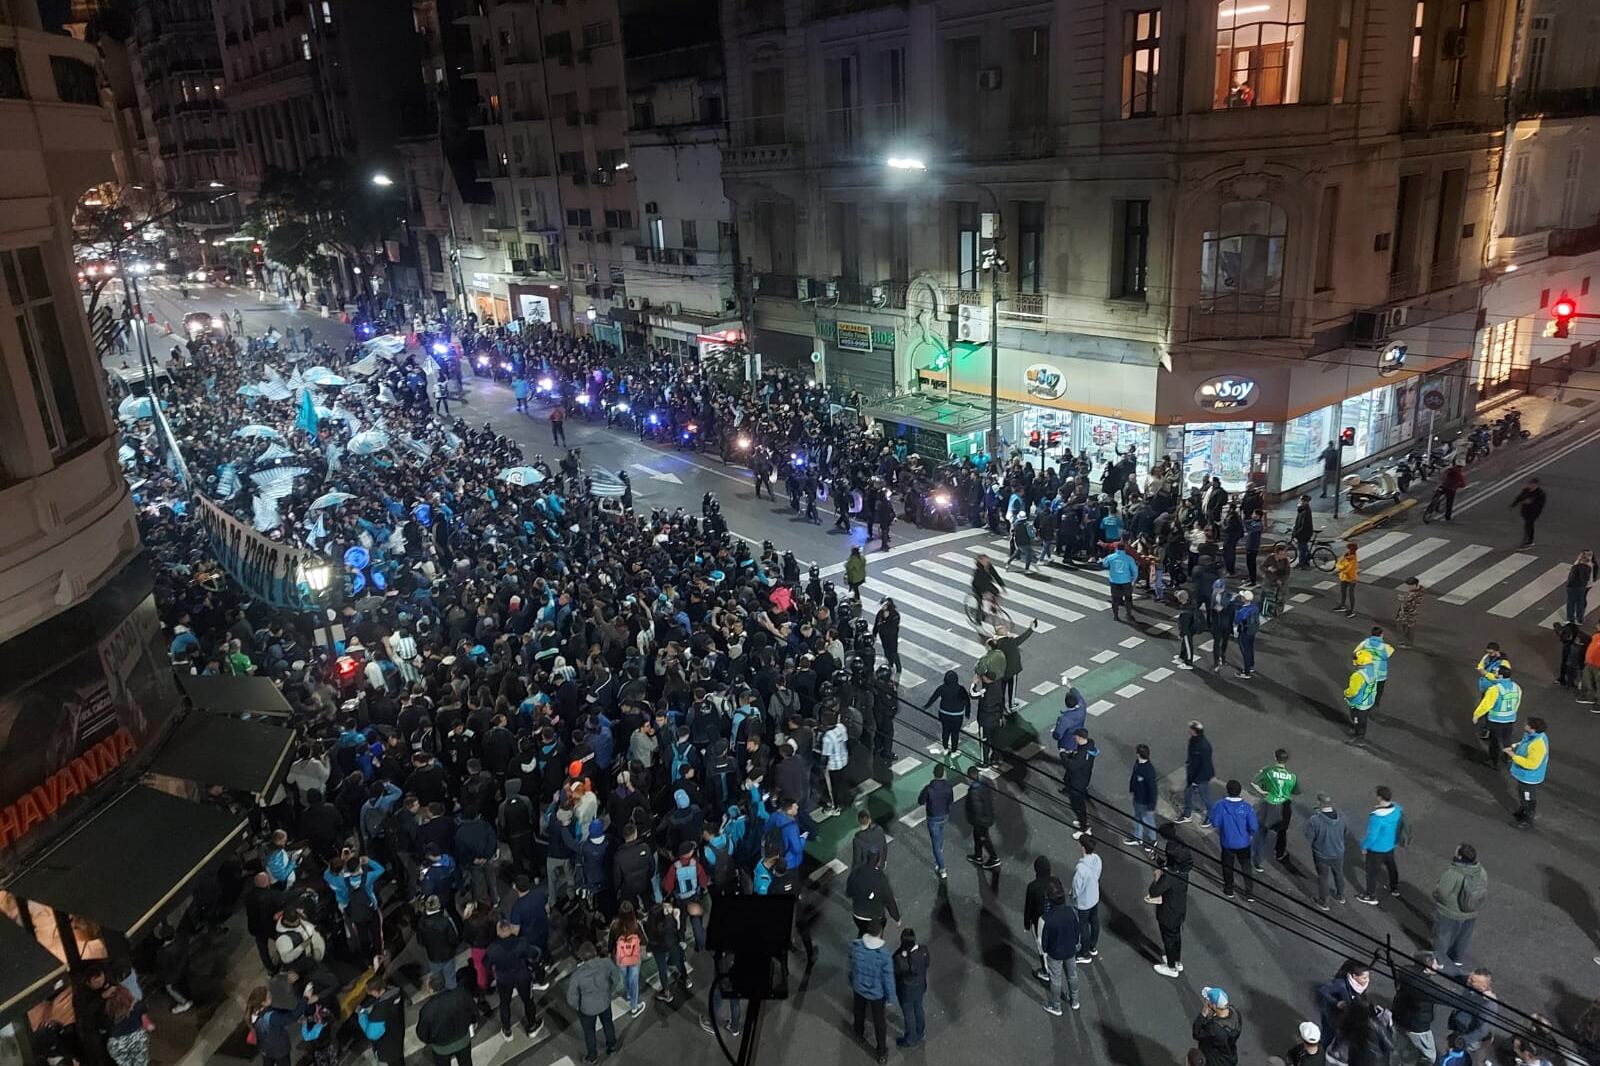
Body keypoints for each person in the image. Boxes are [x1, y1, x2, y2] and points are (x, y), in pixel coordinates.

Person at [1431, 844, 1487, 972]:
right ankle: (1457, 959)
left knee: (1443, 936)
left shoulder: (1453, 872)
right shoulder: (1481, 871)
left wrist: (1438, 898)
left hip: (1450, 912)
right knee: (1464, 936)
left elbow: (1442, 892)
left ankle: (1439, 960)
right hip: (1471, 911)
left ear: (1460, 856)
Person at [849, 918, 897, 1064]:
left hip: (859, 988)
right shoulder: (883, 955)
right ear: (880, 932)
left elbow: (851, 967)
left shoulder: (856, 947)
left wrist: (852, 980)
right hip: (877, 993)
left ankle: (859, 1033)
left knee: (859, 1012)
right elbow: (888, 978)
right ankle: (881, 1052)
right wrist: (890, 998)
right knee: (879, 1022)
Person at [1148, 823, 1192, 977]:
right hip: (1179, 910)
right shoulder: (1183, 872)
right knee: (1176, 936)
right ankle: (1177, 961)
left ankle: (1171, 967)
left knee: (1168, 938)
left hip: (1168, 913)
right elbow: (1169, 866)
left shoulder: (1170, 877)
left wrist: (1157, 877)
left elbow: (1154, 891)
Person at [566, 941, 619, 1064]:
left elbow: (571, 997)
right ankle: (612, 1045)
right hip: (604, 1002)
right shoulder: (606, 963)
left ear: (582, 957)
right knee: (607, 1023)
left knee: (589, 1032)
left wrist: (577, 1006)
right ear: (595, 952)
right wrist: (610, 990)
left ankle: (592, 1056)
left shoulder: (577, 975)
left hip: (587, 1009)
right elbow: (616, 977)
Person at [1208, 780, 1258, 901]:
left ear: (1227, 791)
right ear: (1240, 792)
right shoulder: (1246, 807)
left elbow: (1214, 822)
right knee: (1246, 867)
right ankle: (1249, 893)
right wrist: (1249, 835)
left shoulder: (1220, 805)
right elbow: (1254, 827)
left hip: (1227, 842)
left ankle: (1229, 889)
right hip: (1244, 843)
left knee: (1227, 866)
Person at [1355, 785, 1404, 906]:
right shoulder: (1397, 809)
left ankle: (1370, 895)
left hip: (1377, 849)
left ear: (1380, 797)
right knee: (1391, 866)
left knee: (1371, 873)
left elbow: (1372, 836)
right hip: (1390, 845)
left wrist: (1363, 846)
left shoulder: (1377, 817)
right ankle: (1394, 888)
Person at [1250, 748, 1299, 868]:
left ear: (1275, 757)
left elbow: (1254, 782)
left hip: (1270, 805)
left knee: (1262, 832)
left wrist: (1263, 792)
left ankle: (1257, 861)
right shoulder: (1292, 776)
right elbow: (1296, 791)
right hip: (1284, 806)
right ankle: (1280, 853)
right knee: (1282, 831)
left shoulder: (1268, 771)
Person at [415, 972, 476, 1066]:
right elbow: (473, 1011)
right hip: (463, 1040)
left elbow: (422, 1034)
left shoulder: (427, 1010)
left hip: (441, 1048)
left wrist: (431, 1041)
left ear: (431, 989)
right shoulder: (461, 994)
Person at [1040, 882, 1082, 1014]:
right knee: (1072, 975)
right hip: (1070, 950)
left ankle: (1056, 1006)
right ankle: (1075, 1000)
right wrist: (1075, 943)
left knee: (1056, 979)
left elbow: (1044, 942)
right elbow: (1076, 930)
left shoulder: (1047, 918)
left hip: (1055, 953)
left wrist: (1046, 951)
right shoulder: (1070, 911)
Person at [1302, 794, 1348, 910]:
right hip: (1338, 852)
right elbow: (1345, 832)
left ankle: (1323, 901)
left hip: (1321, 854)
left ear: (1319, 804)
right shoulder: (1342, 817)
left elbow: (1309, 837)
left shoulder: (1315, 820)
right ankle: (1340, 896)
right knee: (1339, 873)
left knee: (1323, 877)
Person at [1472, 664, 1521, 770]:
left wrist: (1477, 715)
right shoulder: (1516, 687)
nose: (1494, 674)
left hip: (1496, 720)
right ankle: (1507, 757)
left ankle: (1494, 762)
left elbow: (1486, 704)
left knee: (1494, 742)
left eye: (1496, 673)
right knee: (1507, 739)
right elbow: (1517, 702)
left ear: (1501, 676)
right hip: (1510, 719)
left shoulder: (1495, 689)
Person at [1505, 716, 1549, 829]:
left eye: (1527, 724)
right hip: (1523, 775)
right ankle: (1523, 810)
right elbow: (1523, 742)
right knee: (1522, 793)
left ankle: (1528, 819)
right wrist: (1514, 746)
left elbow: (1531, 764)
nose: (1524, 725)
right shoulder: (1531, 735)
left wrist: (1513, 755)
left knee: (1528, 797)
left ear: (1532, 728)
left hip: (1529, 777)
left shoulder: (1538, 745)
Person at [355, 976, 406, 1066]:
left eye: (371, 993)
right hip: (398, 1032)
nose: (371, 995)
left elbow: (372, 1034)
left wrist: (362, 1016)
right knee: (399, 1058)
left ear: (375, 991)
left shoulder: (380, 1011)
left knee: (394, 1061)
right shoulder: (396, 992)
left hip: (388, 1044)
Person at [916, 762, 955, 880]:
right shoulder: (948, 787)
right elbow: (951, 800)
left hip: (933, 818)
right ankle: (940, 849)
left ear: (934, 774)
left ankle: (942, 868)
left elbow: (920, 801)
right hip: (944, 815)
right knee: (941, 834)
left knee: (935, 844)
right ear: (943, 774)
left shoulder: (928, 789)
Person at [893, 928, 930, 1047]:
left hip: (906, 991)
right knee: (918, 1008)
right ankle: (920, 1032)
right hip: (920, 987)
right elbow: (927, 963)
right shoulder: (923, 950)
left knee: (909, 1014)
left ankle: (911, 1038)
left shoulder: (899, 959)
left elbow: (896, 973)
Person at [1175, 720, 1215, 825]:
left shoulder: (1204, 746)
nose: (1189, 731)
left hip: (1201, 777)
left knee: (1205, 798)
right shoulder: (1193, 740)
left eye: (1191, 729)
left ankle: (1211, 816)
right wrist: (1188, 762)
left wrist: (1196, 781)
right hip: (1193, 774)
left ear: (1195, 731)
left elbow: (1206, 765)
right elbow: (1192, 755)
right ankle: (1187, 815)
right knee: (1188, 794)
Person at [1071, 834, 1102, 963]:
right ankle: (1092, 946)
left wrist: (1072, 896)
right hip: (1094, 897)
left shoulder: (1081, 869)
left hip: (1084, 902)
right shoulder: (1097, 859)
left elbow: (1076, 888)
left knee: (1083, 926)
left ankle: (1084, 953)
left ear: (1083, 847)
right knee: (1094, 921)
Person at [1194, 986, 1243, 1066]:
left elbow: (1197, 1033)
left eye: (1208, 1000)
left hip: (1214, 1061)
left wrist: (1203, 1015)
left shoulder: (1214, 1028)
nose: (1207, 1002)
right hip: (1230, 1057)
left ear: (1214, 1005)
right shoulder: (1235, 1013)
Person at [1061, 728, 1098, 831]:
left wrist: (1063, 756)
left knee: (1078, 805)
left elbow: (1072, 766)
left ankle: (1084, 827)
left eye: (1075, 737)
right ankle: (1082, 821)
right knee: (1077, 802)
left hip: (1078, 782)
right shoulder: (1089, 746)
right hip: (1083, 778)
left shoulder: (1082, 754)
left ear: (1079, 737)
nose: (1074, 738)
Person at [1126, 743, 1159, 849]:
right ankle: (1138, 837)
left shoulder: (1149, 771)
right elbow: (1134, 777)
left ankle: (1153, 840)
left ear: (1138, 754)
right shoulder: (1138, 764)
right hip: (1137, 798)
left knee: (1148, 821)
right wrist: (1132, 790)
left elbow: (1153, 790)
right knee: (1138, 818)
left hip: (1145, 802)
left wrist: (1151, 806)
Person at [964, 775, 999, 870]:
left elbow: (977, 811)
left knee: (984, 838)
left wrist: (975, 821)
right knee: (977, 836)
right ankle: (978, 856)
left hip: (981, 822)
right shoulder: (983, 785)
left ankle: (994, 858)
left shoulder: (973, 793)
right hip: (987, 816)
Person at [1344, 648, 1378, 744]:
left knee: (1357, 718)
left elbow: (1353, 692)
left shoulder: (1357, 676)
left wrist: (1346, 693)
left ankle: (1359, 737)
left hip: (1359, 702)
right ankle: (1358, 732)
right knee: (1362, 719)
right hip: (1369, 700)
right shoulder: (1373, 670)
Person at [1355, 628, 1394, 708]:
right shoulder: (1385, 647)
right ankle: (1375, 703)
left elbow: (1355, 653)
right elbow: (1389, 654)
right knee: (1379, 689)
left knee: (1365, 687)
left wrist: (1357, 664)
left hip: (1366, 671)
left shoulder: (1365, 643)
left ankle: (1364, 701)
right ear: (1381, 635)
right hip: (1380, 674)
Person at [1104, 541, 1139, 622]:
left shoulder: (1111, 557)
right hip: (1126, 581)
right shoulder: (1129, 558)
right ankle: (1128, 615)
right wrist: (1134, 580)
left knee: (1115, 599)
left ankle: (1116, 616)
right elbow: (1135, 570)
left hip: (1115, 581)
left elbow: (1105, 564)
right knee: (1128, 598)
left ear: (1116, 548)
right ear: (1125, 549)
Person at [1510, 477, 1545, 547]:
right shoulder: (1525, 490)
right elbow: (1519, 497)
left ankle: (1528, 541)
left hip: (1533, 512)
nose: (1530, 486)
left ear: (1536, 485)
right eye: (1530, 484)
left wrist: (1531, 502)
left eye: (1532, 485)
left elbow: (1540, 504)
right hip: (1525, 511)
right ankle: (1527, 539)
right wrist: (1514, 504)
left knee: (1529, 524)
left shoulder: (1540, 493)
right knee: (1527, 525)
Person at [1234, 590, 1260, 678]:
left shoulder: (1243, 611)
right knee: (1250, 648)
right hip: (1252, 631)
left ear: (1244, 599)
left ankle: (1246, 672)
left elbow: (1237, 620)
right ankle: (1251, 665)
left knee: (1245, 651)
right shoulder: (1255, 606)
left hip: (1244, 632)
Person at [1567, 549, 1595, 624]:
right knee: (1580, 602)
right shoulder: (1590, 565)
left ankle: (1570, 619)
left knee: (1571, 603)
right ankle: (1580, 619)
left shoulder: (1576, 564)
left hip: (1573, 586)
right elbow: (1589, 577)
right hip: (1583, 586)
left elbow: (1571, 576)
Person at [1395, 579, 1424, 647]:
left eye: (1410, 586)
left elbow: (1407, 602)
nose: (1408, 587)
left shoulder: (1414, 594)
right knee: (1406, 626)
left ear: (1415, 585)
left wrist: (1402, 599)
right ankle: (1405, 642)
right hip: (1409, 611)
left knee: (1407, 627)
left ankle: (1407, 643)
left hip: (1408, 612)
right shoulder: (1419, 589)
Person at [1335, 542, 1359, 615]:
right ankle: (1342, 605)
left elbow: (1348, 569)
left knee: (1351, 595)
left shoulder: (1353, 560)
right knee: (1343, 592)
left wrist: (1340, 569)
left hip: (1351, 579)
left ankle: (1351, 610)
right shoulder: (1346, 555)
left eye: (1352, 550)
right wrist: (1340, 568)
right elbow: (1339, 563)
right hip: (1344, 577)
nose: (1350, 551)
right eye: (1350, 549)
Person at [1292, 495, 1316, 569]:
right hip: (1305, 533)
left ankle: (1302, 564)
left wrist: (1296, 533)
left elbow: (1303, 525)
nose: (1300, 502)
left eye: (1302, 500)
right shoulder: (1303, 509)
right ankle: (1306, 562)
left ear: (1305, 501)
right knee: (1304, 548)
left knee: (1302, 549)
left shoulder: (1305, 511)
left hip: (1303, 534)